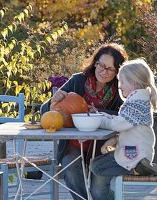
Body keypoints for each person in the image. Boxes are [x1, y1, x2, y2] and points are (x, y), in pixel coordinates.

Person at [40, 43, 128, 199]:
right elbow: (44, 112)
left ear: (117, 71)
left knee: (99, 191)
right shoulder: (78, 81)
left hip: (104, 148)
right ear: (95, 63)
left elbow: (123, 116)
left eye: (110, 69)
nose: (104, 71)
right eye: (101, 65)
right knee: (71, 170)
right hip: (73, 145)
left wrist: (97, 113)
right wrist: (52, 101)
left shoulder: (121, 90)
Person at [91, 58, 157, 200]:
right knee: (100, 167)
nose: (120, 86)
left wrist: (99, 120)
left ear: (134, 83)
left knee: (97, 167)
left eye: (123, 82)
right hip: (134, 150)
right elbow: (123, 122)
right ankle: (137, 168)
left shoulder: (136, 102)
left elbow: (119, 124)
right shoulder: (139, 100)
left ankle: (136, 169)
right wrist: (102, 115)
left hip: (135, 153)